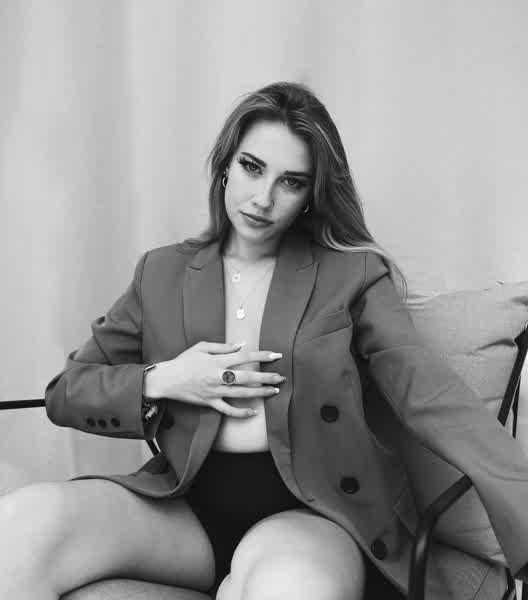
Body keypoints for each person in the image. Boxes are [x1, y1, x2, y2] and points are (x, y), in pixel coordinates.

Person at [1, 81, 527, 600]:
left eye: (290, 182)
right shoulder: (161, 272)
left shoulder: (353, 275)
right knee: (22, 526)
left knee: (290, 588)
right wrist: (164, 379)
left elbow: (431, 397)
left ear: (309, 197)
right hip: (184, 508)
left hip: (309, 515)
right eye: (252, 167)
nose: (263, 198)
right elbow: (66, 391)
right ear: (226, 164)